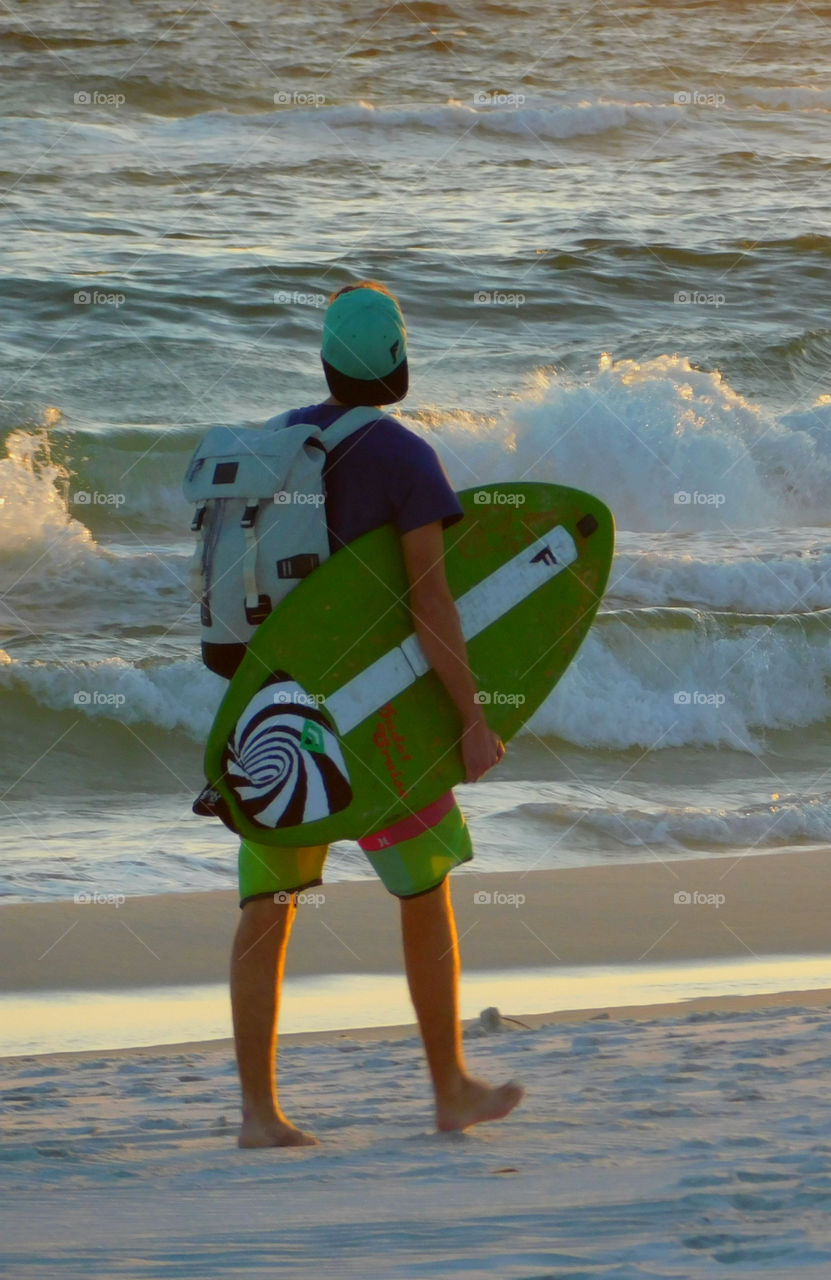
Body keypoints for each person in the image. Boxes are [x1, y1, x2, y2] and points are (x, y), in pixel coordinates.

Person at [225, 281, 524, 1147]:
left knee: (267, 904)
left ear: (322, 361)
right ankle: (448, 1089)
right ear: (397, 365)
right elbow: (431, 602)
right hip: (380, 722)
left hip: (277, 715)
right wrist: (470, 717)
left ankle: (257, 1113)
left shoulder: (275, 444)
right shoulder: (405, 460)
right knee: (423, 889)